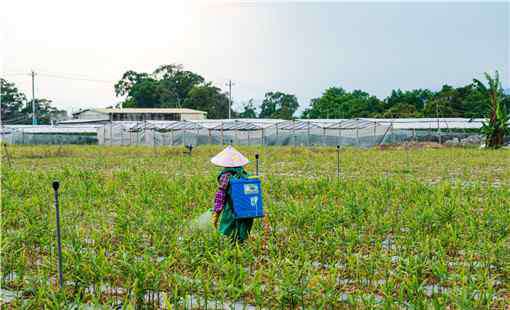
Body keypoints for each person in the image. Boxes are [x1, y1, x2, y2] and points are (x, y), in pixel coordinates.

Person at [211, 145, 253, 243]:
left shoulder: (226, 175)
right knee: (243, 230)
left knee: (227, 229)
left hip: (231, 209)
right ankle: (241, 244)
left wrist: (216, 212)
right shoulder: (246, 175)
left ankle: (231, 248)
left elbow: (220, 195)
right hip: (247, 209)